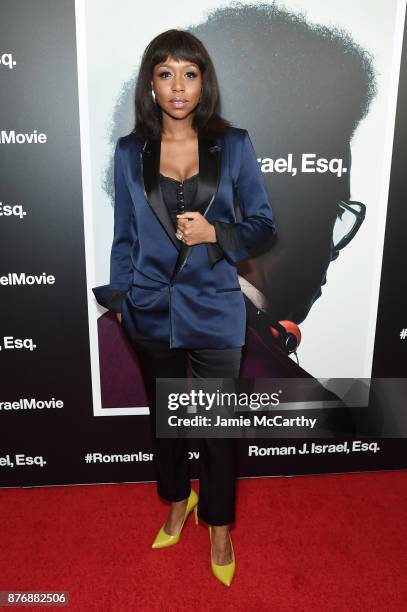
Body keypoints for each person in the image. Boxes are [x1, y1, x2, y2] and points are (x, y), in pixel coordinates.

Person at [93, 29, 276, 587]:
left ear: (204, 82)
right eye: (166, 73)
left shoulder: (234, 144)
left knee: (217, 428)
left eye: (189, 73)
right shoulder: (130, 152)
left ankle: (219, 524)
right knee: (168, 424)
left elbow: (264, 227)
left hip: (217, 307)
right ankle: (178, 501)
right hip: (149, 310)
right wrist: (123, 300)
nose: (178, 86)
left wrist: (216, 234)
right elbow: (123, 236)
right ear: (151, 83)